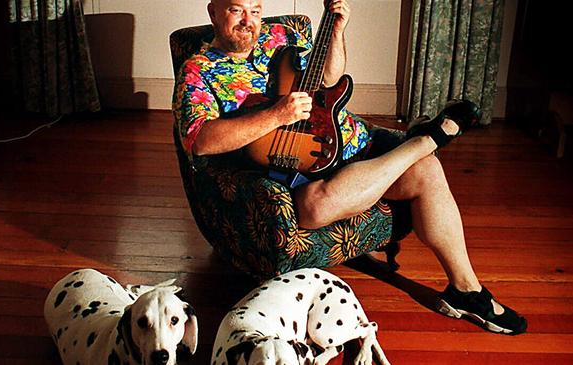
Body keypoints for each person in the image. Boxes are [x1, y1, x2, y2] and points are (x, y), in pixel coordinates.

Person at [172, 0, 527, 335]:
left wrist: (337, 31)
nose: (248, 21)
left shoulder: (281, 38)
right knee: (316, 206)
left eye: (256, 9)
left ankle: (466, 290)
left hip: (351, 145)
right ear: (214, 12)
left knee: (428, 171)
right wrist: (276, 115)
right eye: (236, 10)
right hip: (296, 168)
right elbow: (201, 139)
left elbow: (327, 79)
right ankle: (420, 141)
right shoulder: (199, 70)